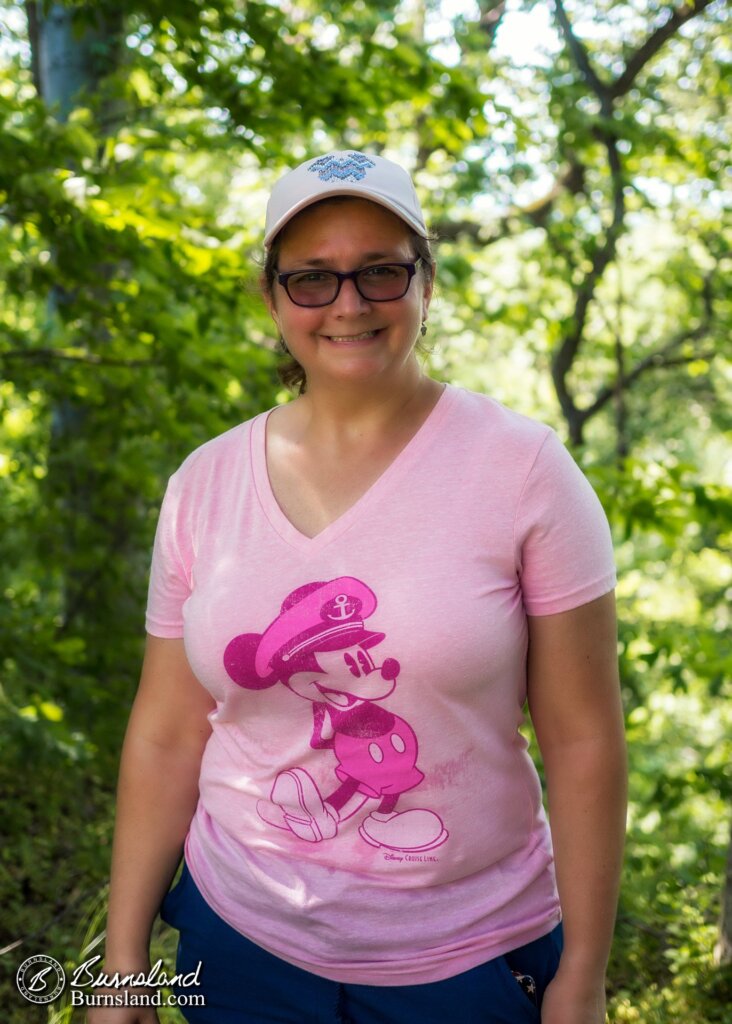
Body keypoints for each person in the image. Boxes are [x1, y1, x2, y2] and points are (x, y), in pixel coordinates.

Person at [91, 150, 627, 1024]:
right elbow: (165, 732)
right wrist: (120, 968)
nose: (348, 303)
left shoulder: (525, 472)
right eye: (312, 278)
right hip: (239, 945)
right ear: (272, 297)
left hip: (470, 962)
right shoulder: (205, 483)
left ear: (425, 282)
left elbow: (583, 741)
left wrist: (585, 974)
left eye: (380, 270)